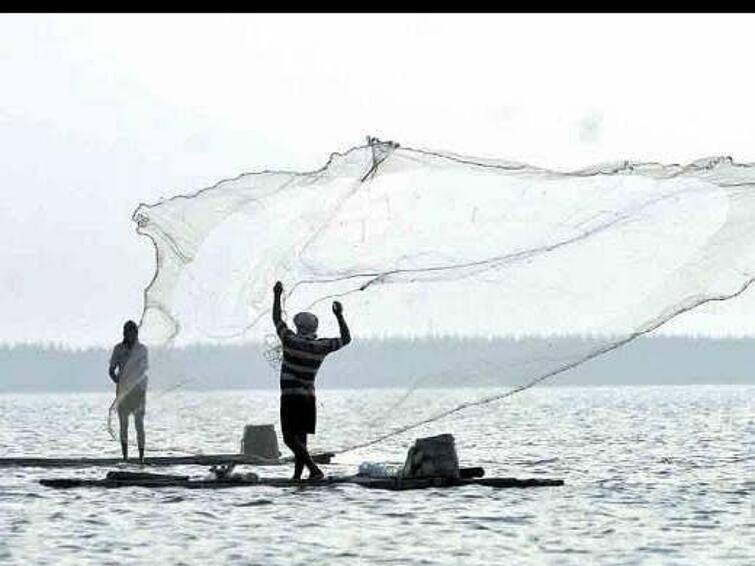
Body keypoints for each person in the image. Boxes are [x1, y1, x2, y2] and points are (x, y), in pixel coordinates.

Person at [272, 281, 351, 481]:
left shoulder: (290, 340)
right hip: (308, 399)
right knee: (301, 440)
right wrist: (339, 315)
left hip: (291, 398)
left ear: (299, 327)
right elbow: (346, 339)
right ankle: (298, 476)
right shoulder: (321, 346)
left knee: (290, 438)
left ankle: (314, 470)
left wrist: (277, 295)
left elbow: (276, 319)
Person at [108, 320, 149, 463]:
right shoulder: (118, 349)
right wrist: (118, 381)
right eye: (127, 333)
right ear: (124, 334)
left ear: (136, 334)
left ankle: (141, 458)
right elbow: (111, 370)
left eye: (132, 333)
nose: (130, 336)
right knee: (123, 424)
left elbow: (143, 369)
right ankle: (125, 457)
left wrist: (134, 382)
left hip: (138, 392)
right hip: (123, 393)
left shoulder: (142, 350)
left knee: (139, 423)